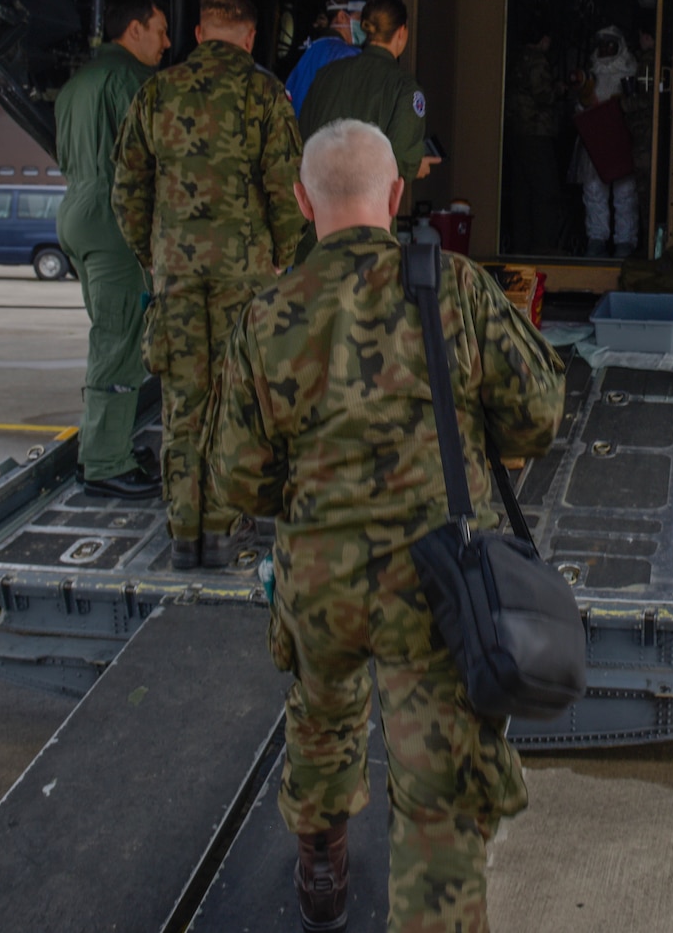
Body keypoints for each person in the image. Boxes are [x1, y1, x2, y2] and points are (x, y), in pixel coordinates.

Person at [210, 119, 566, 933]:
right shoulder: (456, 287)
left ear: (302, 202)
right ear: (397, 196)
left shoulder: (265, 315)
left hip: (319, 578)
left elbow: (237, 474)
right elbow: (538, 416)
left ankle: (322, 854)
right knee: (439, 790)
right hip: (436, 580)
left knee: (324, 709)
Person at [113, 0, 304, 570]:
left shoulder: (157, 91)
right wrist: (280, 253)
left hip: (175, 273)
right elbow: (287, 189)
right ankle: (222, 530)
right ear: (250, 37)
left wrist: (156, 254)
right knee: (235, 401)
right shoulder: (266, 94)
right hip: (243, 276)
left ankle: (184, 533)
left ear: (198, 34)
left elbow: (127, 190)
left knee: (182, 400)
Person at [55, 0, 168, 499]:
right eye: (160, 31)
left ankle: (111, 446)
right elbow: (153, 157)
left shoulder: (75, 85)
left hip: (78, 214)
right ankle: (104, 463)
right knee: (120, 341)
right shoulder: (131, 81)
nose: (167, 42)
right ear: (134, 30)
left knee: (113, 334)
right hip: (115, 224)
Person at [297, 0, 440, 263]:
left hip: (319, 228)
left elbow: (301, 142)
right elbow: (400, 162)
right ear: (402, 32)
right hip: (369, 234)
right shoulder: (404, 89)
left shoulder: (326, 75)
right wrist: (416, 165)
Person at [571, 25, 642, 257]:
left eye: (610, 44)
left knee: (626, 195)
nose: (606, 49)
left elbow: (637, 107)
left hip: (622, 142)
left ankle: (624, 242)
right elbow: (580, 108)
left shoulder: (631, 72)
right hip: (595, 145)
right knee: (594, 193)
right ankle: (597, 239)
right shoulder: (591, 75)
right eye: (602, 45)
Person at [502, 32, 566, 253]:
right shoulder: (537, 59)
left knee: (522, 193)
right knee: (545, 191)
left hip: (515, 132)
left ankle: (522, 245)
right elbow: (543, 94)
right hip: (536, 132)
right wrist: (559, 89)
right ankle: (544, 247)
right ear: (544, 39)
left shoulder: (513, 56)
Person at [284, 0, 364, 114]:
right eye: (359, 18)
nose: (364, 26)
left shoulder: (311, 49)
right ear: (341, 17)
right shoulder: (348, 55)